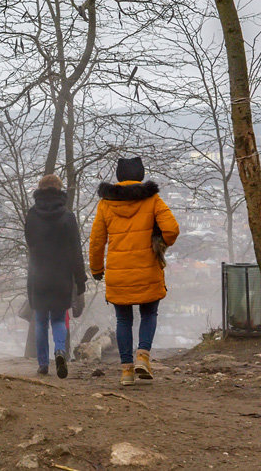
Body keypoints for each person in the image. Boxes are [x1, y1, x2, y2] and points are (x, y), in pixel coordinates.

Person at [89, 157, 179, 384]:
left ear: (119, 177)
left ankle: (127, 371)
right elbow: (172, 229)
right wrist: (160, 241)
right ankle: (143, 356)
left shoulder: (105, 204)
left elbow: (97, 241)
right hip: (147, 268)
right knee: (149, 313)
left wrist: (97, 268)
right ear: (140, 175)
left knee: (123, 320)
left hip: (118, 272)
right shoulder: (152, 200)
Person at [25, 174, 87, 378]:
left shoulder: (32, 215)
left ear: (40, 191)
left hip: (39, 275)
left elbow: (30, 244)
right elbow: (76, 251)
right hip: (61, 275)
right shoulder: (68, 217)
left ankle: (43, 364)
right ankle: (60, 351)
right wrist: (80, 280)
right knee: (59, 319)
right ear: (60, 190)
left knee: (41, 320)